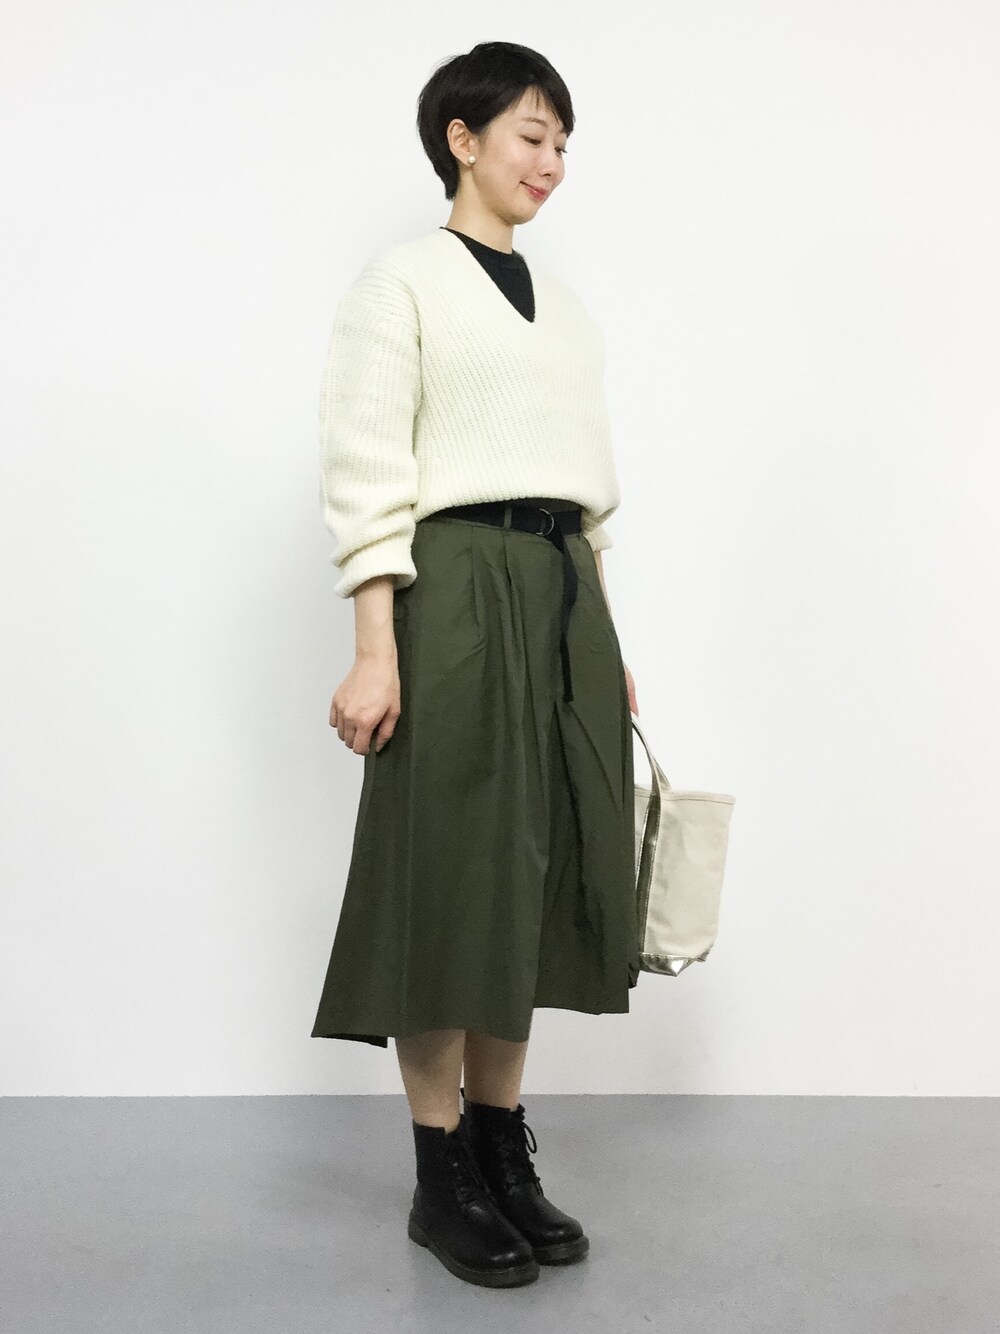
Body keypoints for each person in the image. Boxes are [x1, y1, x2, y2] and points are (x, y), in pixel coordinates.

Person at [310, 40, 640, 1289]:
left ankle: (503, 1146)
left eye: (562, 145)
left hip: (563, 591)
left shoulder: (568, 307)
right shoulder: (399, 282)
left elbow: (586, 492)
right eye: (531, 136)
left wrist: (608, 642)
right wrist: (373, 648)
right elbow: (367, 466)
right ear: (462, 138)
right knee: (449, 868)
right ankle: (439, 1167)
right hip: (450, 585)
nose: (551, 163)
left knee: (536, 869)